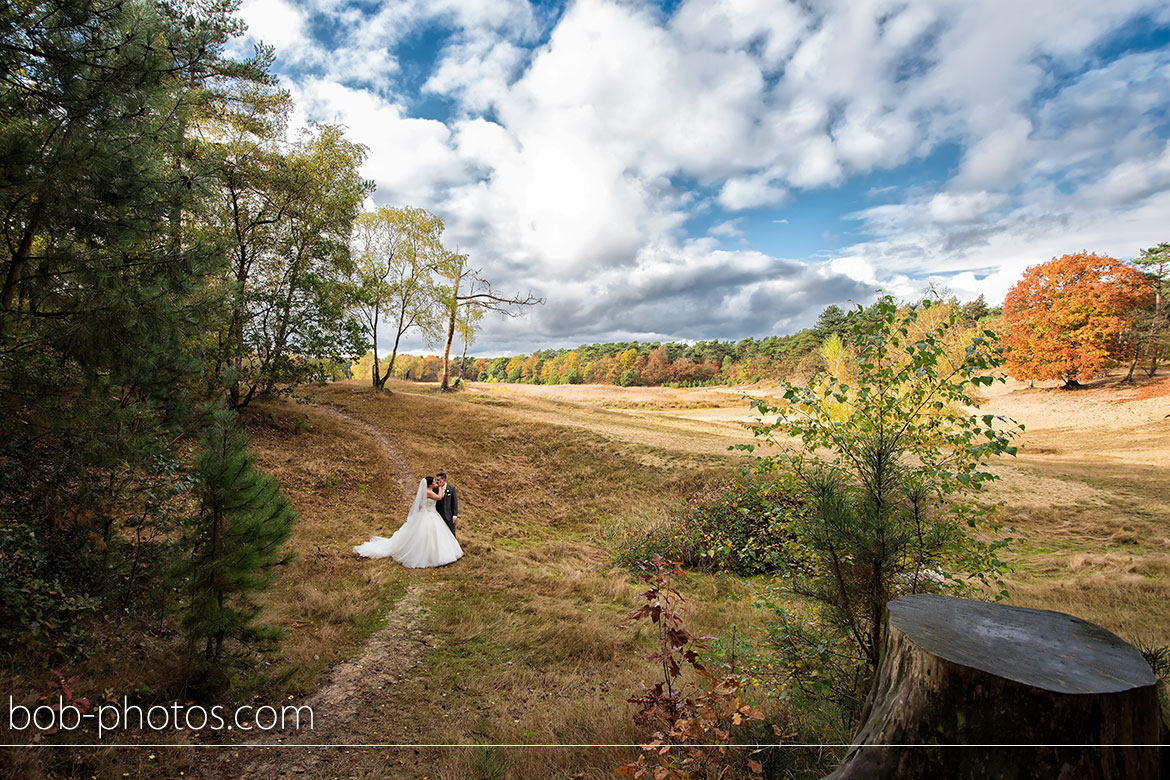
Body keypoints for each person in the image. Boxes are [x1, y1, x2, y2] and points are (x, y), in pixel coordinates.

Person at [353, 476, 462, 568]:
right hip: (430, 514)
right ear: (429, 484)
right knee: (429, 535)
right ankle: (429, 556)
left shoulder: (425, 492)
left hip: (428, 513)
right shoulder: (429, 492)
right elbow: (439, 497)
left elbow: (419, 505)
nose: (435, 483)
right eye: (434, 482)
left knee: (427, 535)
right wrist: (441, 487)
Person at [434, 472, 458, 538]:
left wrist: (455, 514)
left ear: (444, 480)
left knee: (452, 533)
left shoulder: (451, 488)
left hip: (448, 515)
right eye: (436, 480)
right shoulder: (435, 489)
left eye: (439, 480)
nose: (437, 482)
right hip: (438, 515)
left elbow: (454, 502)